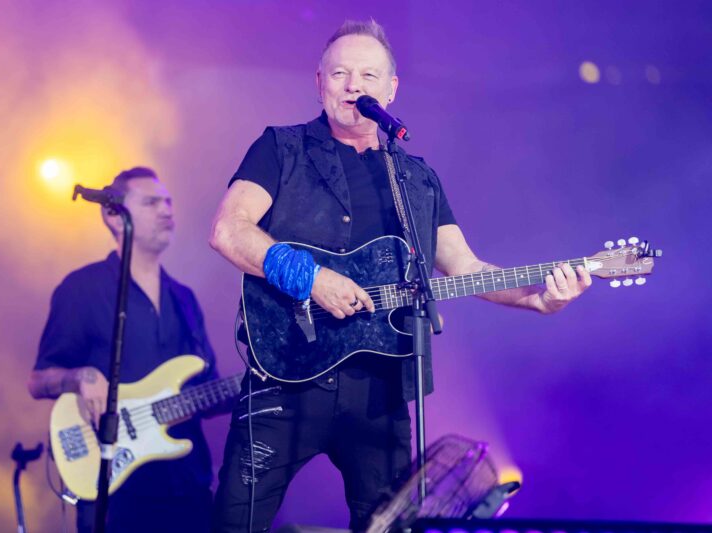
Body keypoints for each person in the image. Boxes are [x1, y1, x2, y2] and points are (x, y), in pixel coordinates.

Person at [208, 19, 592, 532]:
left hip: (380, 390)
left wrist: (538, 299)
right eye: (340, 74)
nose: (354, 86)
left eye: (368, 75)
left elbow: (467, 268)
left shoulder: (416, 178)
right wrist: (312, 279)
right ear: (319, 83)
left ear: (390, 90)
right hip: (284, 374)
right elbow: (229, 230)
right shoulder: (281, 148)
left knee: (389, 526)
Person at [28, 167, 220, 533]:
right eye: (151, 203)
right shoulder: (82, 288)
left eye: (168, 202)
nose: (166, 211)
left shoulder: (184, 298)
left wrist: (261, 383)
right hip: (115, 494)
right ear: (113, 215)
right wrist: (81, 377)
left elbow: (209, 388)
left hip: (186, 489)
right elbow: (38, 380)